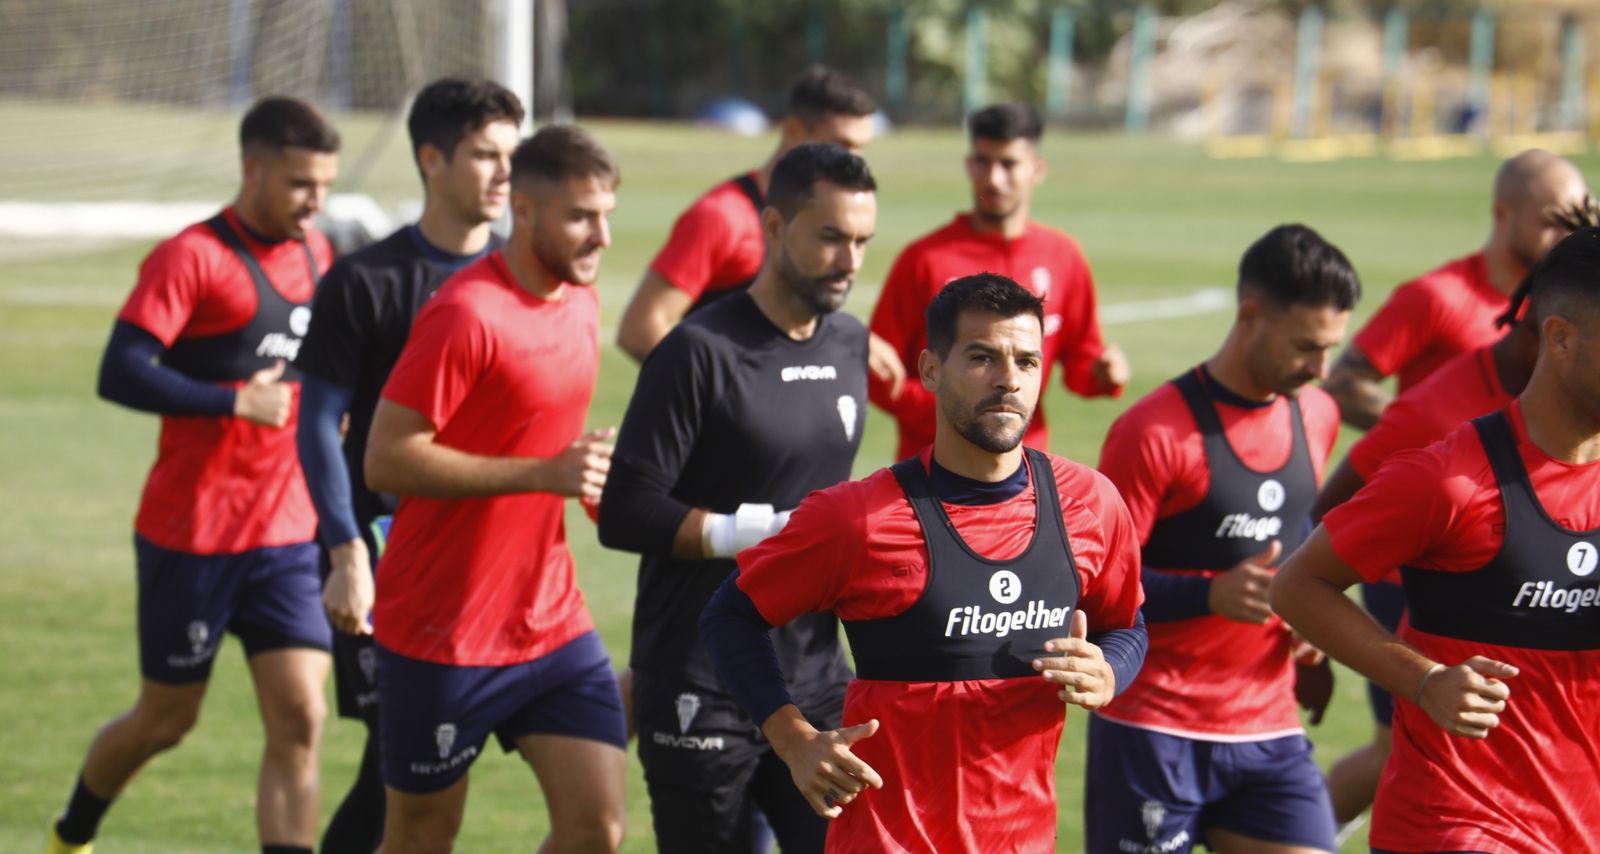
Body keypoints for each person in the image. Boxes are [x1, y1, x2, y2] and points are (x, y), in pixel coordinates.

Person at [701, 274, 1147, 853]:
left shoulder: (1090, 503)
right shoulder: (857, 518)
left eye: (1027, 360)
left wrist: (1110, 670)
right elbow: (730, 616)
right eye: (983, 357)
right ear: (931, 370)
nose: (1009, 380)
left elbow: (1127, 624)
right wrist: (793, 739)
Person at [47, 96, 341, 854]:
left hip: (286, 534)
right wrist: (234, 402)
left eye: (326, 187)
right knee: (166, 720)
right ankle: (69, 836)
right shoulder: (192, 257)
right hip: (193, 532)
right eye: (302, 185)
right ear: (254, 168)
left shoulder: (318, 253)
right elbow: (120, 371)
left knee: (302, 719)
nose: (317, 204)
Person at [1272, 226, 1600, 853]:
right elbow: (1299, 583)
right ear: (1559, 339)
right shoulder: (1449, 480)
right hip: (1456, 826)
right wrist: (1424, 682)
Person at [598, 143, 877, 853]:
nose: (850, 260)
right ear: (775, 226)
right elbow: (626, 507)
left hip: (814, 678)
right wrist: (753, 534)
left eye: (862, 241)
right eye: (831, 237)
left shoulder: (848, 344)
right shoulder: (697, 352)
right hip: (700, 680)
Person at [361, 125, 625, 854]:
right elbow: (386, 459)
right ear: (525, 211)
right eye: (580, 217)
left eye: (606, 214)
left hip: (551, 620)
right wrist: (543, 474)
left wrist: (601, 477)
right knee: (422, 838)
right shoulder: (465, 313)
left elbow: (541, 433)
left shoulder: (580, 298)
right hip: (442, 632)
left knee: (597, 829)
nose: (600, 235)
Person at [293, 76, 523, 854]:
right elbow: (319, 425)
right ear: (431, 159)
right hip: (387, 558)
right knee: (399, 755)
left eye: (511, 157)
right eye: (485, 155)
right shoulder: (366, 282)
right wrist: (346, 551)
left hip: (495, 567)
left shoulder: (523, 278)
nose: (504, 175)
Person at [1089, 224, 1360, 854]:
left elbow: (1293, 535)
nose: (1321, 369)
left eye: (1331, 349)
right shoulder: (1154, 432)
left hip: (1267, 726)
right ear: (1249, 315)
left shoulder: (1316, 414)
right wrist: (1208, 595)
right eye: (1305, 347)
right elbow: (1097, 587)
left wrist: (1306, 624)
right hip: (1152, 728)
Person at [616, 65, 905, 395]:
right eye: (842, 144)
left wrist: (850, 335)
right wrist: (720, 402)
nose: (856, 160)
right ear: (794, 131)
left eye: (862, 147)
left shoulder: (829, 216)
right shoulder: (721, 216)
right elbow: (641, 329)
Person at [868, 102, 1128, 462]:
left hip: (1024, 472)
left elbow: (1081, 364)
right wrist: (959, 408)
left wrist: (1102, 373)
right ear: (968, 165)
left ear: (1037, 169)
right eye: (982, 162)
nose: (992, 178)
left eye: (1008, 164)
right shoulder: (924, 258)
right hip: (932, 469)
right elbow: (879, 371)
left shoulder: (1063, 256)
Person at [1322, 148, 1587, 430]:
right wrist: (1449, 439)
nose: (1567, 237)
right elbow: (1342, 387)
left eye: (1577, 223)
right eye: (1551, 223)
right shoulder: (1438, 297)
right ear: (1502, 214)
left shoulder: (1567, 306)